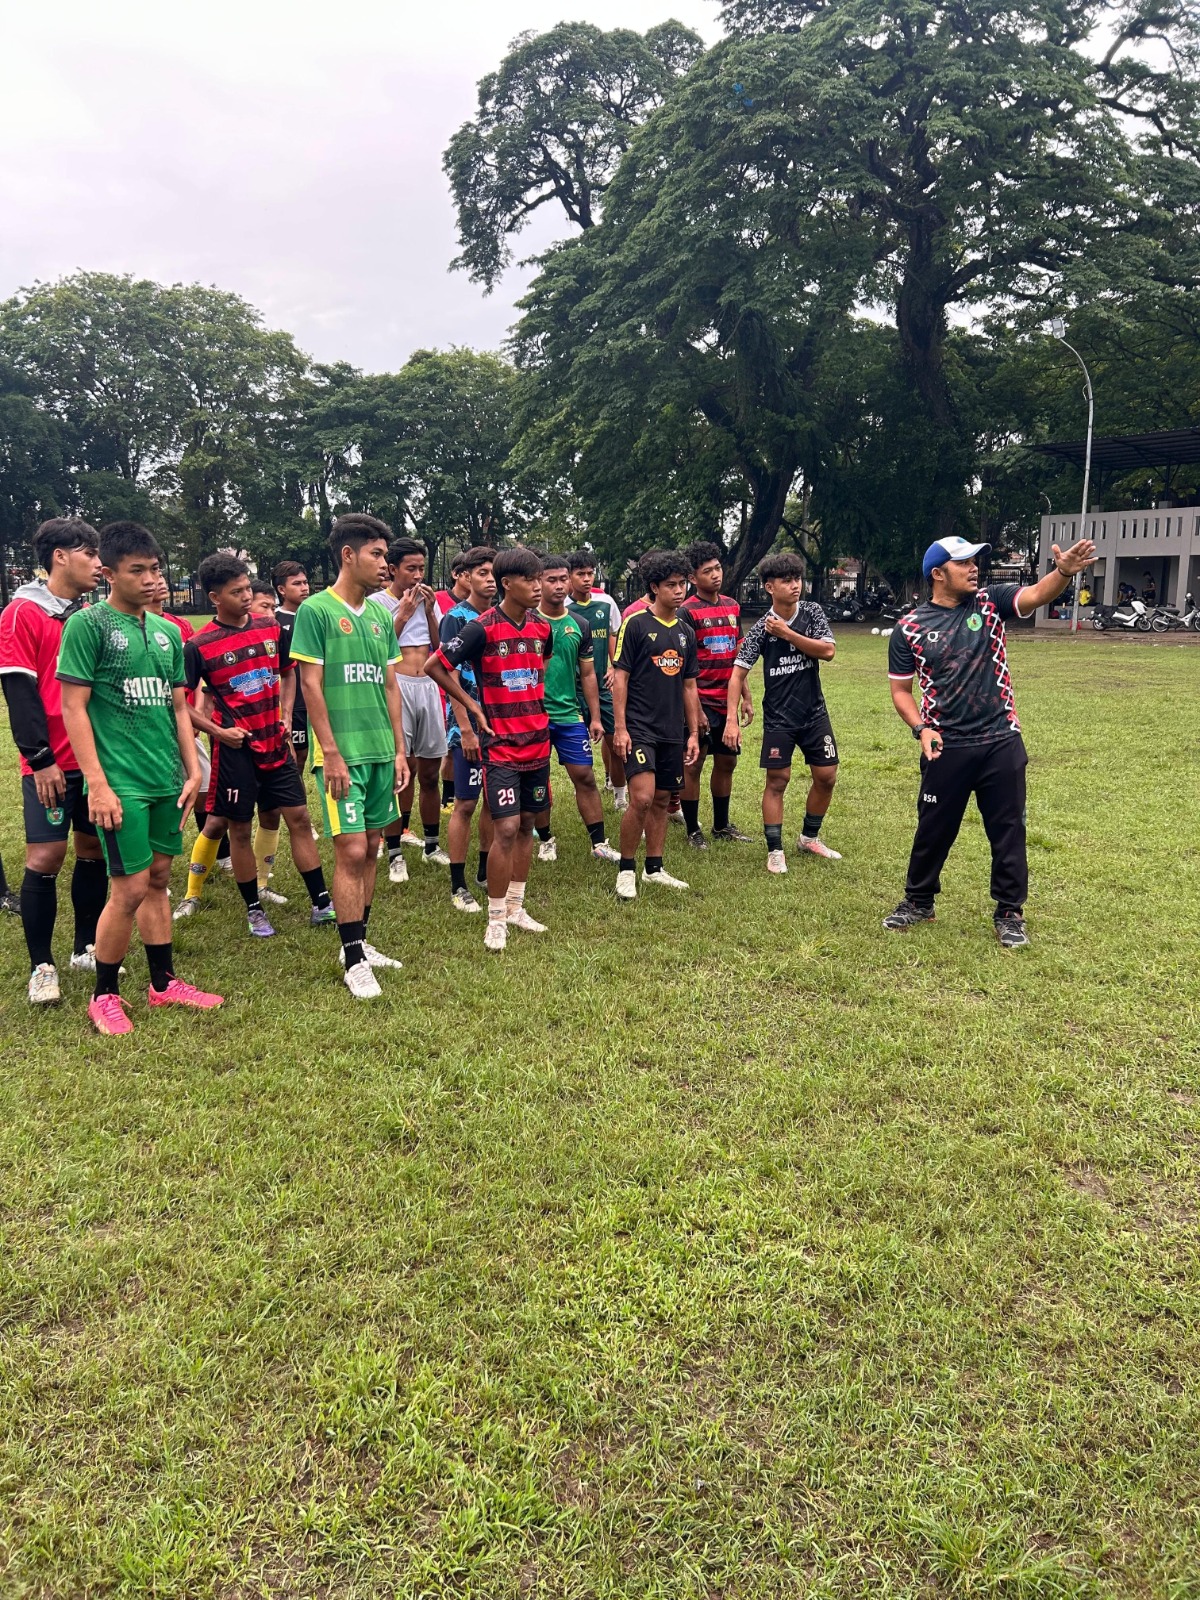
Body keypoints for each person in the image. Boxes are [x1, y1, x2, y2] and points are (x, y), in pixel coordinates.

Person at [884, 533, 1097, 947]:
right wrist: (921, 728)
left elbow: (1036, 594)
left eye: (974, 561)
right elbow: (900, 691)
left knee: (1008, 829)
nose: (974, 568)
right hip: (945, 745)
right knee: (933, 827)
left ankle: (1009, 912)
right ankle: (919, 901)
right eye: (963, 563)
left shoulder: (990, 601)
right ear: (937, 574)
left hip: (1001, 739)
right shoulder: (908, 628)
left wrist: (1063, 573)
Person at [57, 521, 222, 1034]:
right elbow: (73, 707)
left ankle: (162, 984)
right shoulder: (88, 626)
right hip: (119, 783)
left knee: (158, 882)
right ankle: (104, 995)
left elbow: (177, 707)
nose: (152, 579)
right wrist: (98, 784)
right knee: (127, 890)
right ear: (108, 573)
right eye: (138, 571)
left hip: (166, 780)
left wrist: (192, 768)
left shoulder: (170, 630)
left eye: (155, 569)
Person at [173, 554, 334, 937]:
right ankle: (254, 908)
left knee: (299, 819)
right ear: (214, 597)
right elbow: (177, 704)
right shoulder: (198, 645)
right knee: (239, 831)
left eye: (248, 588)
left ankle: (322, 901)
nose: (247, 597)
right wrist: (217, 731)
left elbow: (288, 673)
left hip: (275, 745)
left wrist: (285, 710)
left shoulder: (271, 629)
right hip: (235, 753)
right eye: (237, 592)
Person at [290, 515, 410, 997]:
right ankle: (354, 960)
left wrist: (400, 750)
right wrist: (332, 753)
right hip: (342, 757)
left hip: (382, 751)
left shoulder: (382, 615)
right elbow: (310, 684)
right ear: (348, 555)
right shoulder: (316, 611)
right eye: (377, 555)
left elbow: (390, 684)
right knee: (352, 849)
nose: (385, 564)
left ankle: (358, 940)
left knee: (375, 848)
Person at [0, 518, 109, 1002]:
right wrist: (40, 759)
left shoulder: (89, 614)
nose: (98, 564)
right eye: (89, 553)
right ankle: (41, 965)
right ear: (60, 556)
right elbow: (19, 691)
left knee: (92, 850)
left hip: (93, 762)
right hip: (50, 764)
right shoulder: (22, 613)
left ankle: (84, 946)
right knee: (47, 855)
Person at [425, 546, 552, 952]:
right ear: (507, 584)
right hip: (500, 747)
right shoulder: (480, 628)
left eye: (539, 579)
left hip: (538, 743)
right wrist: (473, 704)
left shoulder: (542, 628)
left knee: (529, 826)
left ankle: (517, 906)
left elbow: (538, 670)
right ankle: (495, 916)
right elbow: (435, 666)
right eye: (530, 581)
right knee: (507, 828)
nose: (538, 587)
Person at [724, 552, 841, 874]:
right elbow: (737, 672)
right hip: (779, 717)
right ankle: (775, 851)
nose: (795, 586)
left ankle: (809, 837)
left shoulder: (812, 613)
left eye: (797, 579)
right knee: (778, 780)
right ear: (769, 587)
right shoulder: (762, 627)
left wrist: (788, 634)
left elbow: (828, 651)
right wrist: (731, 719)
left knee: (827, 775)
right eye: (787, 581)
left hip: (814, 712)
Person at [610, 549, 700, 900]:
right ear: (654, 587)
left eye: (683, 584)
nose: (679, 591)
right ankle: (626, 870)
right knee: (643, 798)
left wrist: (692, 732)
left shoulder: (685, 632)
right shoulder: (636, 624)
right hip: (639, 727)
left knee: (662, 798)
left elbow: (689, 685)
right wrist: (620, 728)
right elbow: (621, 678)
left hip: (671, 730)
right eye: (671, 585)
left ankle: (655, 868)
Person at [532, 555, 620, 863]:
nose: (558, 586)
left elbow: (587, 675)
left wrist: (595, 717)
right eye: (550, 580)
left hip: (570, 714)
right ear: (538, 582)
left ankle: (599, 843)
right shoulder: (528, 622)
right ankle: (545, 839)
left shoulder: (579, 624)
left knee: (584, 776)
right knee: (538, 780)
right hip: (533, 717)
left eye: (562, 579)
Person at [373, 537, 449, 875]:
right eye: (411, 568)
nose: (418, 575)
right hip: (397, 687)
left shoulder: (429, 602)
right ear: (392, 569)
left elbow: (439, 645)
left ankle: (432, 844)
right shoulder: (377, 602)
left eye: (422, 568)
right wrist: (402, 614)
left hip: (429, 686)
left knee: (431, 770)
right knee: (398, 771)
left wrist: (430, 611)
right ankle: (394, 852)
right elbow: (378, 649)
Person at [678, 541, 754, 849]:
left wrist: (746, 696)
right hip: (699, 700)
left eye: (718, 568)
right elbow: (685, 669)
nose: (715, 575)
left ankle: (721, 825)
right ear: (693, 579)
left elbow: (740, 656)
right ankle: (693, 829)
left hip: (728, 700)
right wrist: (694, 711)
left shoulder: (732, 605)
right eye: (707, 571)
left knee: (727, 762)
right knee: (693, 765)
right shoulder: (686, 611)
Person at [437, 546, 497, 912]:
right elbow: (448, 675)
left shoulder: (501, 617)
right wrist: (465, 728)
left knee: (493, 799)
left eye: (493, 573)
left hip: (500, 723)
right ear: (466, 577)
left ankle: (485, 869)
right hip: (469, 727)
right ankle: (458, 885)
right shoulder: (456, 618)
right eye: (482, 573)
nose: (488, 579)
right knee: (466, 802)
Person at [567, 550, 626, 809]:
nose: (587, 579)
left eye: (590, 573)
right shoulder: (562, 609)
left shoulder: (607, 604)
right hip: (571, 689)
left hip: (602, 686)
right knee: (574, 751)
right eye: (580, 574)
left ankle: (620, 796)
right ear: (569, 577)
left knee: (617, 743)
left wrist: (614, 666)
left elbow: (614, 636)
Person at [273, 560, 311, 773]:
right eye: (297, 583)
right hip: (292, 699)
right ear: (281, 589)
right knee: (294, 756)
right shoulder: (276, 621)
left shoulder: (314, 615)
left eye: (305, 582)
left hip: (314, 696)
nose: (304, 588)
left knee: (306, 753)